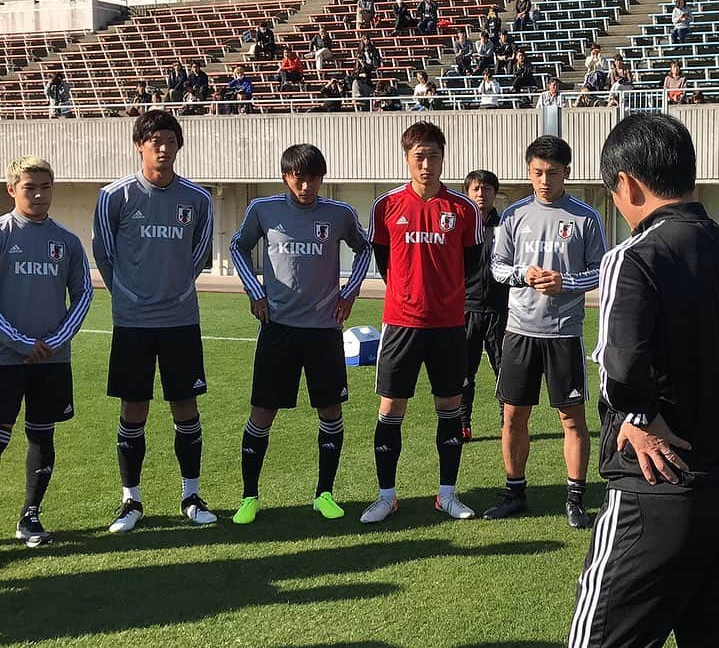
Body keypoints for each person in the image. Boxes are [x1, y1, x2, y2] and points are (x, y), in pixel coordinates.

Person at [568, 113, 719, 648]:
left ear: (627, 182)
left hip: (656, 493)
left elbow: (623, 366)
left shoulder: (633, 256)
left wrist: (636, 415)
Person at [229, 144, 371, 525]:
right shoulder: (263, 210)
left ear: (322, 178)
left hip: (324, 330)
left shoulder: (339, 214)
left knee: (330, 410)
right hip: (278, 330)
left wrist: (349, 292)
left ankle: (324, 493)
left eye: (312, 178)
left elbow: (364, 248)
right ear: (285, 177)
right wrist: (255, 291)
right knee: (263, 411)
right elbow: (237, 248)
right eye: (297, 177)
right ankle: (249, 497)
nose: (305, 185)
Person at [92, 110, 215, 533]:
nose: (163, 148)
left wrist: (175, 290)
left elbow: (201, 255)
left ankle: (191, 495)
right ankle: (131, 501)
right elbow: (105, 255)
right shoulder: (115, 197)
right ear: (139, 145)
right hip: (133, 322)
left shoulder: (198, 199)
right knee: (134, 408)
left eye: (169, 140)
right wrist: (130, 296)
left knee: (185, 404)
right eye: (154, 141)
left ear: (178, 146)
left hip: (180, 319)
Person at [361, 121, 483, 523]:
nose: (426, 164)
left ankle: (447, 494)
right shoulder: (386, 206)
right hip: (401, 323)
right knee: (391, 407)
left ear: (442, 157)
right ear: (407, 158)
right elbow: (383, 261)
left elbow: (471, 264)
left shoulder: (463, 210)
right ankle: (386, 496)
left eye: (433, 155)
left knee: (449, 407)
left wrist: (441, 294)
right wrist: (409, 291)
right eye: (419, 156)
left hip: (449, 325)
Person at [487, 136, 606, 528]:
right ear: (528, 171)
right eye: (537, 172)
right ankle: (514, 492)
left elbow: (599, 271)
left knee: (571, 419)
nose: (544, 181)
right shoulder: (514, 215)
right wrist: (523, 274)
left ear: (566, 173)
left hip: (564, 334)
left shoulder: (585, 217)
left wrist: (565, 282)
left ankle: (575, 498)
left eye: (552, 173)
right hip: (519, 331)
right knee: (513, 416)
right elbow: (498, 268)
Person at [0, 156, 93, 547]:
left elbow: (84, 294)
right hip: (5, 359)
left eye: (45, 187)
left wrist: (55, 341)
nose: (39, 195)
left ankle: (30, 517)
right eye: (29, 188)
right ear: (12, 189)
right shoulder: (3, 233)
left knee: (42, 436)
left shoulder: (67, 241)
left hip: (52, 360)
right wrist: (20, 342)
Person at [460, 170, 507, 441]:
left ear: (494, 192)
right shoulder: (460, 225)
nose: (481, 194)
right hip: (466, 310)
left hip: (500, 311)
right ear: (468, 192)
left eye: (487, 188)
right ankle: (463, 423)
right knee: (464, 372)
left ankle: (507, 422)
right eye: (476, 189)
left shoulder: (506, 226)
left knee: (504, 371)